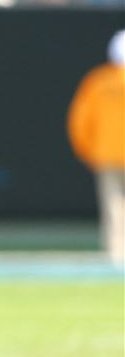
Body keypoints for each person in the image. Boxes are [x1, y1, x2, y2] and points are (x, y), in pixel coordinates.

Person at [67, 30, 125, 269]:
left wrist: (87, 150)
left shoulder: (98, 81)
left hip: (107, 153)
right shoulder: (96, 81)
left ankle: (116, 253)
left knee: (113, 204)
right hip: (107, 154)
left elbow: (79, 121)